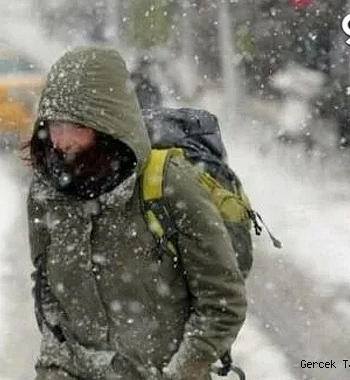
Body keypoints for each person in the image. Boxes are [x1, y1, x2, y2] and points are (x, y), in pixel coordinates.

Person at [25, 47, 247, 380]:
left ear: (105, 124)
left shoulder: (168, 183)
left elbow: (223, 302)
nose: (60, 140)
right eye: (54, 124)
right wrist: (56, 363)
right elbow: (46, 290)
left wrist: (181, 371)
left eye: (74, 125)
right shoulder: (48, 192)